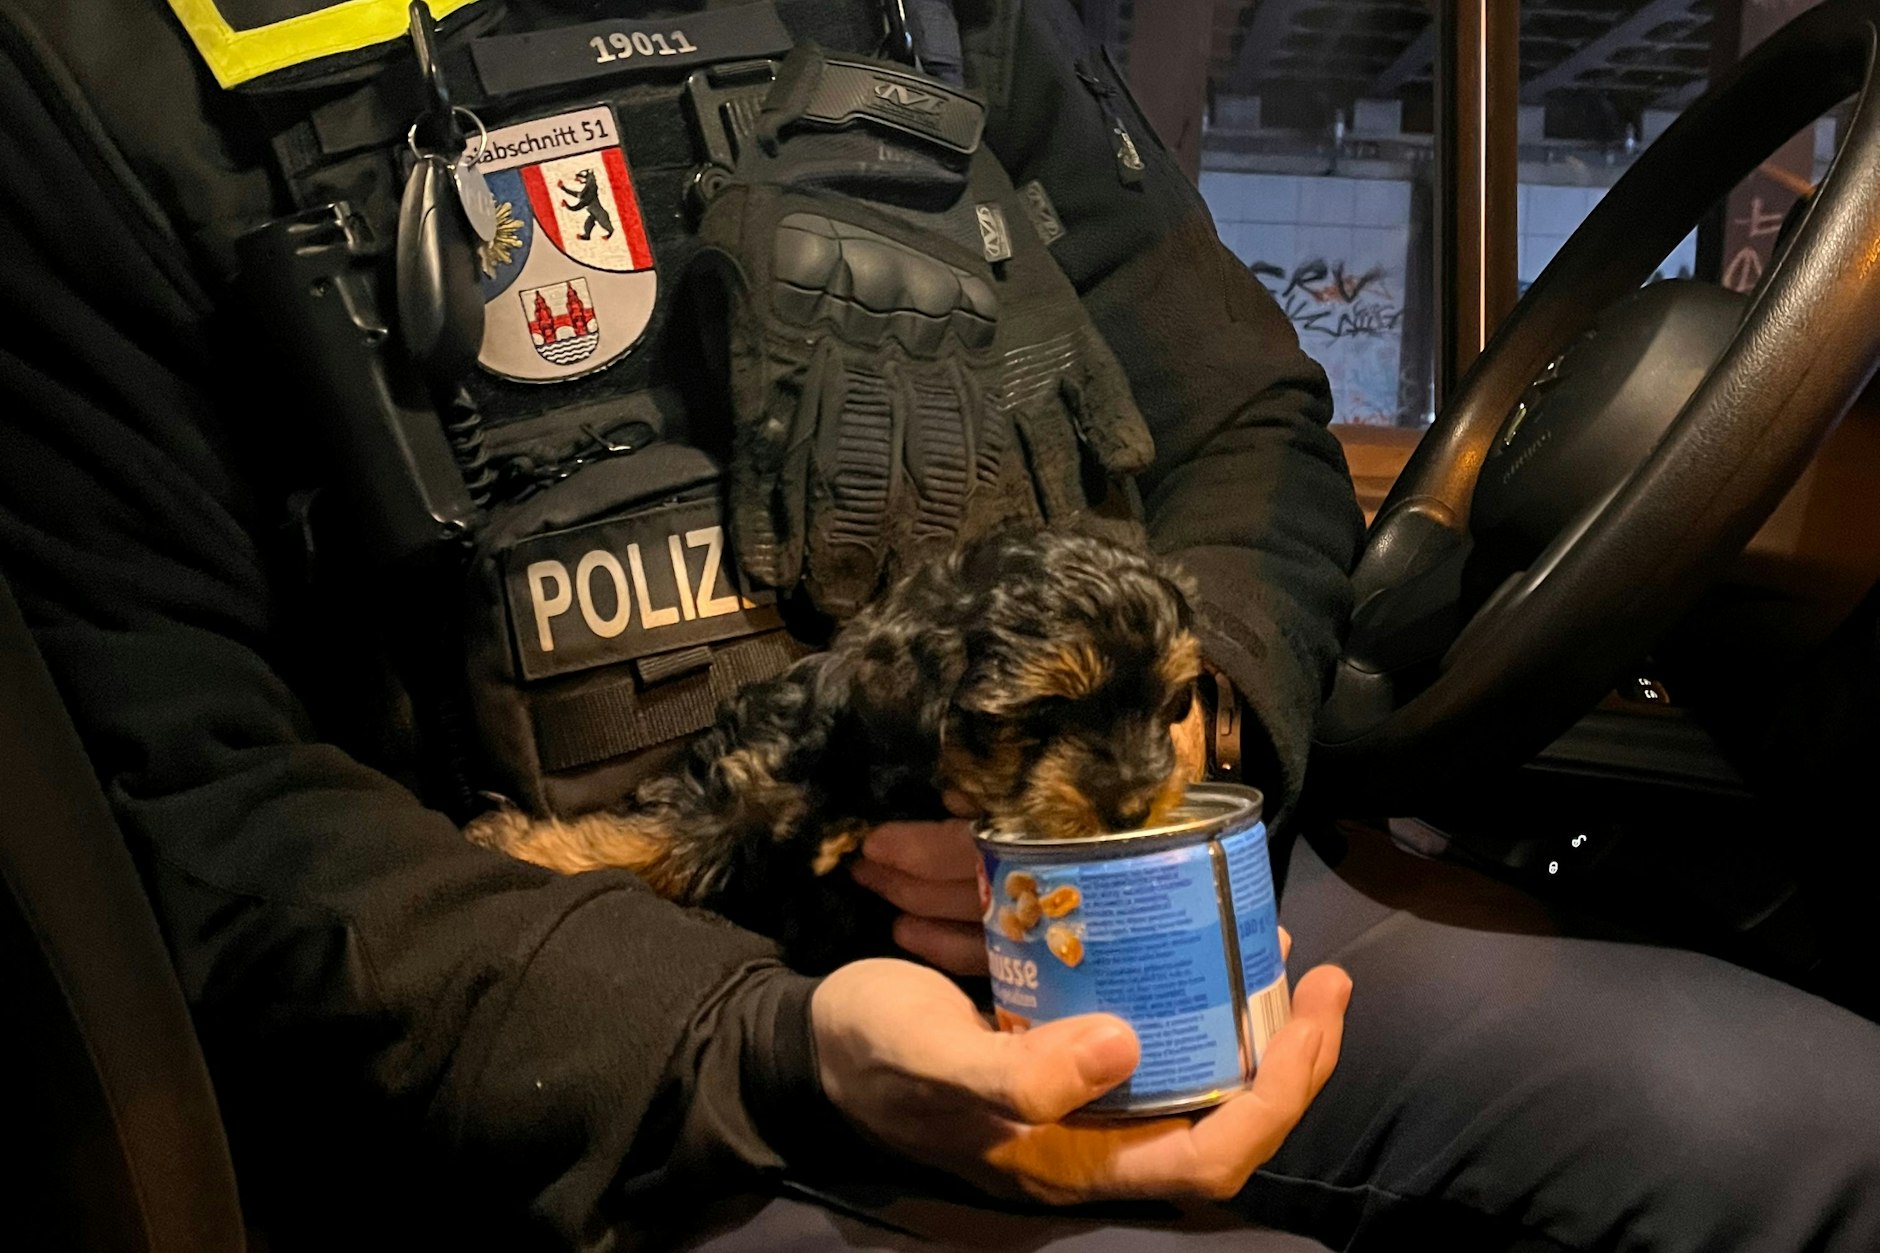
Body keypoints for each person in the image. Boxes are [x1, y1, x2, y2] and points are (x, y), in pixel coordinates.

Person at [0, 4, 1875, 1253]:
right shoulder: (87, 80)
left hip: (1133, 880)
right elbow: (201, 808)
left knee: (1819, 1122)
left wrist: (1164, 748)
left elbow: (1245, 428)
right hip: (627, 1044)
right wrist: (775, 1036)